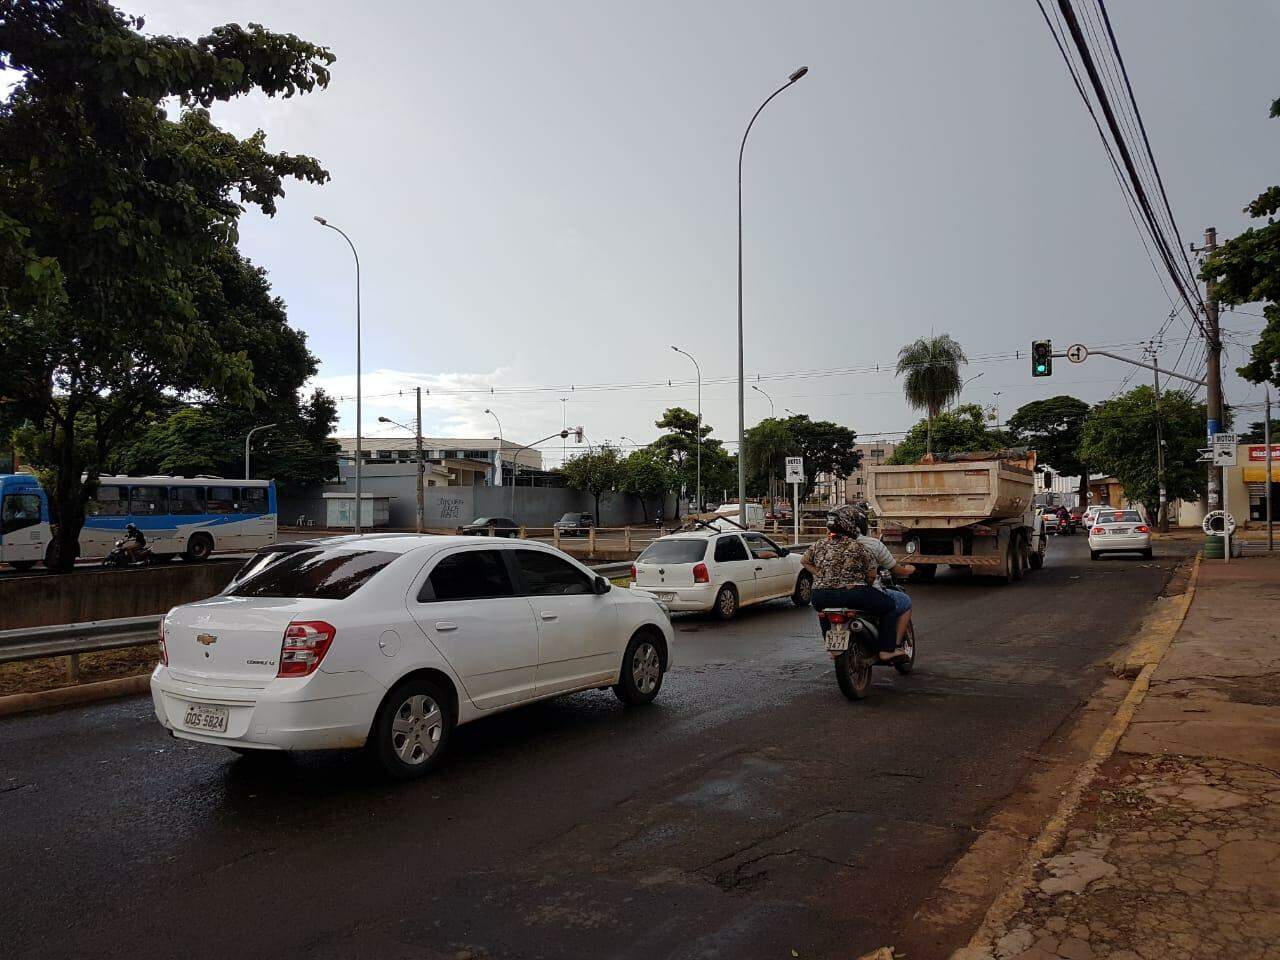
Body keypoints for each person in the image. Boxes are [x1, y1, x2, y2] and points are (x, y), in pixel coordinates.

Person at [802, 505, 901, 661]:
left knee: (823, 612)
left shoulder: (819, 544)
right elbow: (871, 573)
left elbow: (805, 561)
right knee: (889, 606)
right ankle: (886, 650)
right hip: (852, 594)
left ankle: (831, 647)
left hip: (819, 596)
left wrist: (821, 574)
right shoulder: (858, 546)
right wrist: (866, 583)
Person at [849, 509, 916, 650]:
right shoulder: (871, 544)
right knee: (902, 602)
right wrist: (908, 570)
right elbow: (887, 570)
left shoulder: (829, 544)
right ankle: (893, 646)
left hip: (832, 594)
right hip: (863, 593)